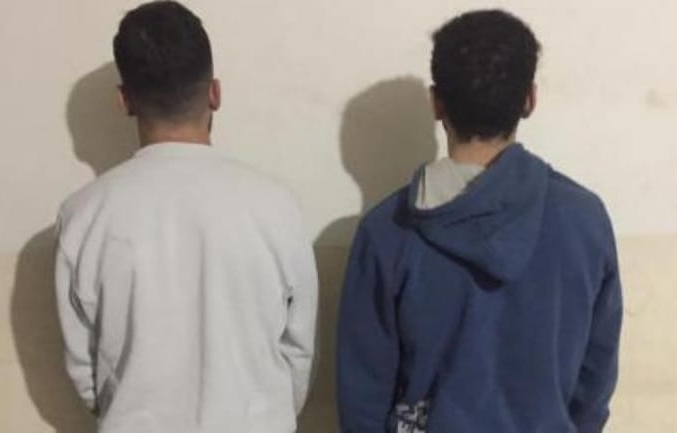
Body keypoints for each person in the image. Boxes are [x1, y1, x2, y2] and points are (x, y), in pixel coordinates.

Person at [336, 9, 622, 433]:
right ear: (529, 100)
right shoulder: (585, 220)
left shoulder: (386, 233)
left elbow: (363, 398)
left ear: (437, 103)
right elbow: (594, 382)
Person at [55, 2, 317, 432]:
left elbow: (83, 368)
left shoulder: (83, 215)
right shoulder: (277, 206)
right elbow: (298, 349)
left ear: (124, 101)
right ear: (215, 93)